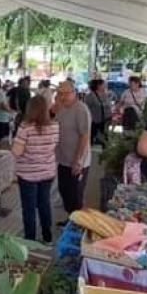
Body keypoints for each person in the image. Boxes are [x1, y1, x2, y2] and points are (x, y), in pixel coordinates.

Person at [12, 95, 60, 243]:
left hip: (27, 174)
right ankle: (47, 237)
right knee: (44, 204)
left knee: (29, 208)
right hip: (47, 172)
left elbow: (17, 151)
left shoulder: (25, 127)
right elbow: (54, 147)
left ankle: (30, 240)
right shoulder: (55, 126)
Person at [53, 82, 91, 216]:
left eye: (66, 94)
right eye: (59, 93)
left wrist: (78, 160)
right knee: (65, 192)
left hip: (77, 162)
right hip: (63, 160)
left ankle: (77, 225)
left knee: (75, 196)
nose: (62, 97)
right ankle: (71, 220)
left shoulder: (81, 109)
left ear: (74, 93)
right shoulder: (62, 108)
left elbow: (84, 136)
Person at [83, 79, 112, 145]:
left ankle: (105, 151)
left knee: (105, 136)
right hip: (95, 120)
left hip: (105, 118)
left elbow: (109, 104)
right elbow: (86, 107)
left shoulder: (105, 94)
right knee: (92, 135)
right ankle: (88, 149)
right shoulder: (90, 96)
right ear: (98, 86)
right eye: (103, 84)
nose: (105, 86)